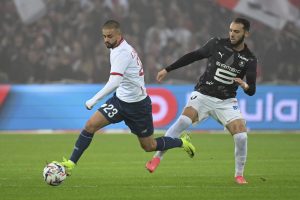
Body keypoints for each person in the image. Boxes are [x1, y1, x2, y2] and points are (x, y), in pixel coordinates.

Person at [55, 20, 195, 176]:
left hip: (138, 107)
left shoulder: (122, 53)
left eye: (109, 36)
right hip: (119, 101)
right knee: (90, 126)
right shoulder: (116, 48)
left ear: (118, 35)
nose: (106, 40)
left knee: (149, 146)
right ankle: (71, 163)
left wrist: (93, 100)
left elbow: (114, 82)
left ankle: (181, 142)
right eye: (104, 36)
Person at [145, 18, 257, 185]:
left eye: (237, 31)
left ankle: (239, 175)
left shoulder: (250, 59)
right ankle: (156, 158)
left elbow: (252, 90)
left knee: (241, 137)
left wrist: (245, 85)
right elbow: (194, 56)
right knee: (183, 120)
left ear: (246, 33)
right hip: (203, 94)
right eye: (231, 30)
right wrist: (168, 69)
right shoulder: (217, 44)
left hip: (226, 101)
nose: (232, 34)